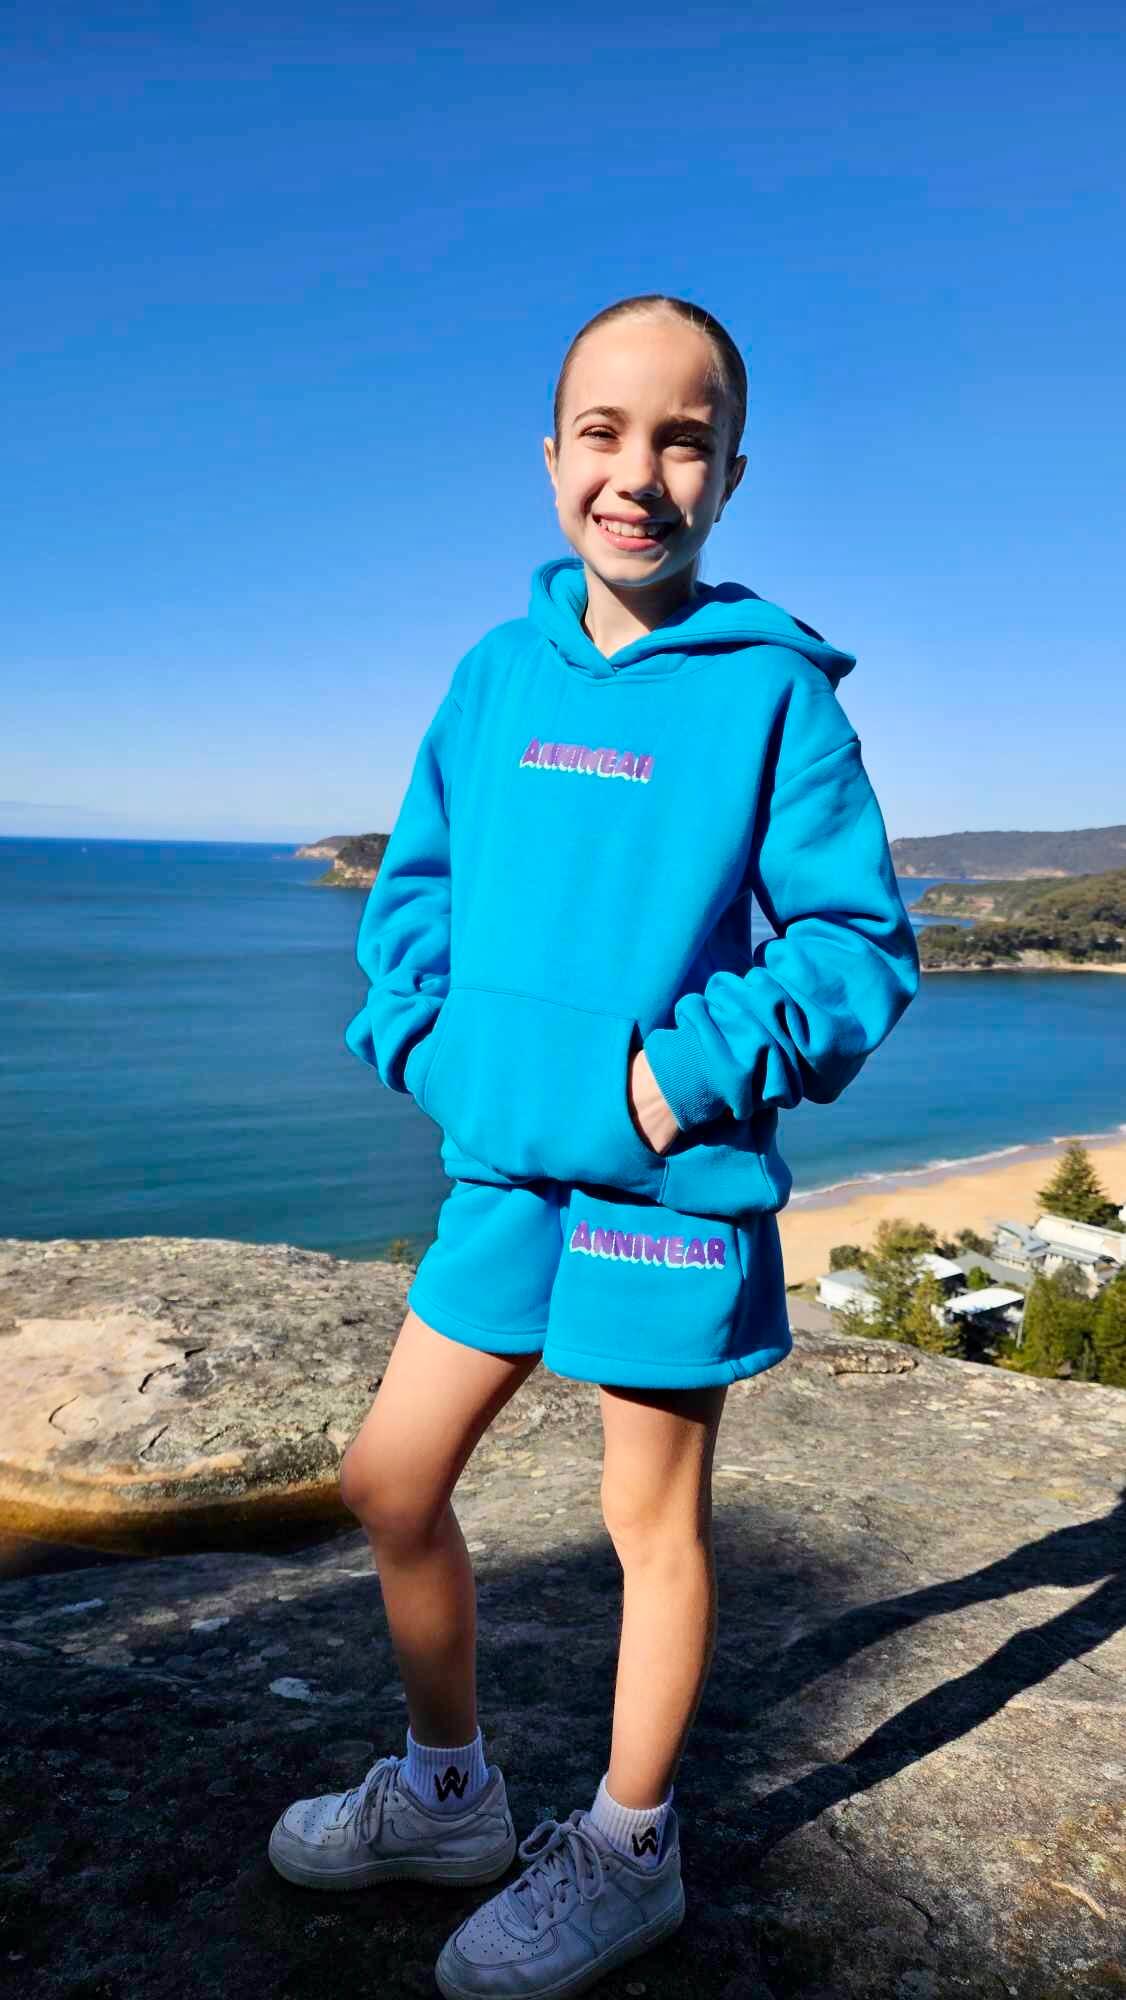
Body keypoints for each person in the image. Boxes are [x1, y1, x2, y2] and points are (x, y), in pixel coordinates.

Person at [267, 293, 920, 1997]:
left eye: (682, 439)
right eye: (605, 434)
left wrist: (671, 1082)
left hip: (666, 1186)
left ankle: (627, 1851)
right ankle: (449, 1795)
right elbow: (413, 897)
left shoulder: (775, 694)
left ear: (731, 473)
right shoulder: (494, 675)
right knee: (389, 1483)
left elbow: (854, 950)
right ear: (552, 454)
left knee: (652, 1523)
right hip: (500, 1171)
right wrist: (432, 1048)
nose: (639, 473)